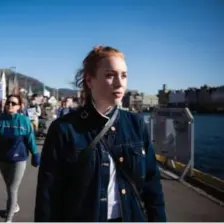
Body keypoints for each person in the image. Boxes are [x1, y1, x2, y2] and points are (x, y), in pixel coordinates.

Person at [35, 45, 166, 222]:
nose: (120, 83)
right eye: (110, 75)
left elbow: (152, 186)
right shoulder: (64, 129)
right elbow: (48, 195)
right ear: (90, 80)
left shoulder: (136, 124)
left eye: (124, 75)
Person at [0, 94, 41, 222]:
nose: (10, 105)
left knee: (12, 188)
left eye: (13, 103)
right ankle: (14, 205)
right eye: (8, 103)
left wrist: (35, 154)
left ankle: (9, 218)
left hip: (19, 159)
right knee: (9, 186)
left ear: (19, 106)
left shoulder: (24, 121)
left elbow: (30, 139)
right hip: (3, 158)